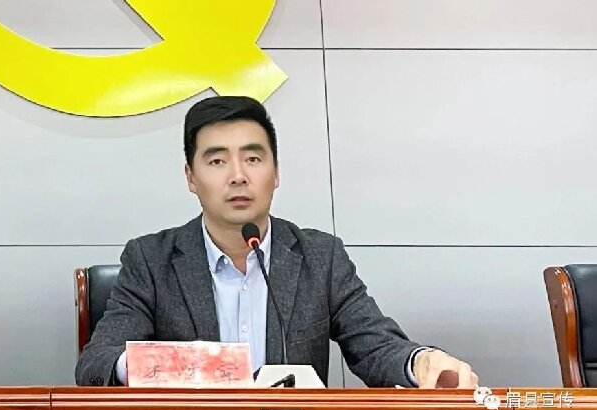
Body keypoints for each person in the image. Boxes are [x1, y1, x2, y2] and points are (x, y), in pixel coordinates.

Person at [75, 96, 479, 388]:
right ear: (191, 178)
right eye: (217, 161)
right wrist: (177, 366)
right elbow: (95, 364)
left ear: (276, 172)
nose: (238, 175)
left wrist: (421, 361)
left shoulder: (320, 257)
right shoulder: (151, 260)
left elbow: (375, 345)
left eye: (253, 159)